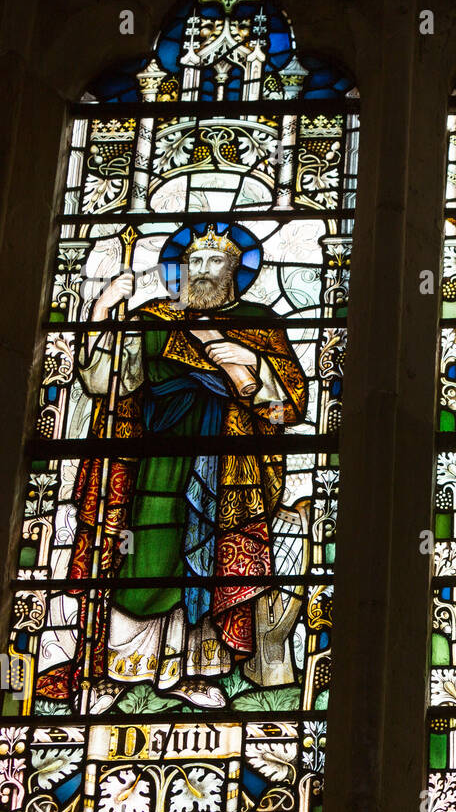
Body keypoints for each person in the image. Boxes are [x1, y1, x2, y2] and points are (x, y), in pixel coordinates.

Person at [37, 225, 308, 712]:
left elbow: (284, 410)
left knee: (203, 558)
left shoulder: (257, 322)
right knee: (140, 555)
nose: (202, 271)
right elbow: (107, 384)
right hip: (149, 459)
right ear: (179, 270)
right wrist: (102, 313)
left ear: (234, 272)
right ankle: (117, 670)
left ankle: (191, 672)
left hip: (224, 465)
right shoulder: (151, 318)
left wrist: (249, 359)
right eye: (194, 263)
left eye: (214, 262)